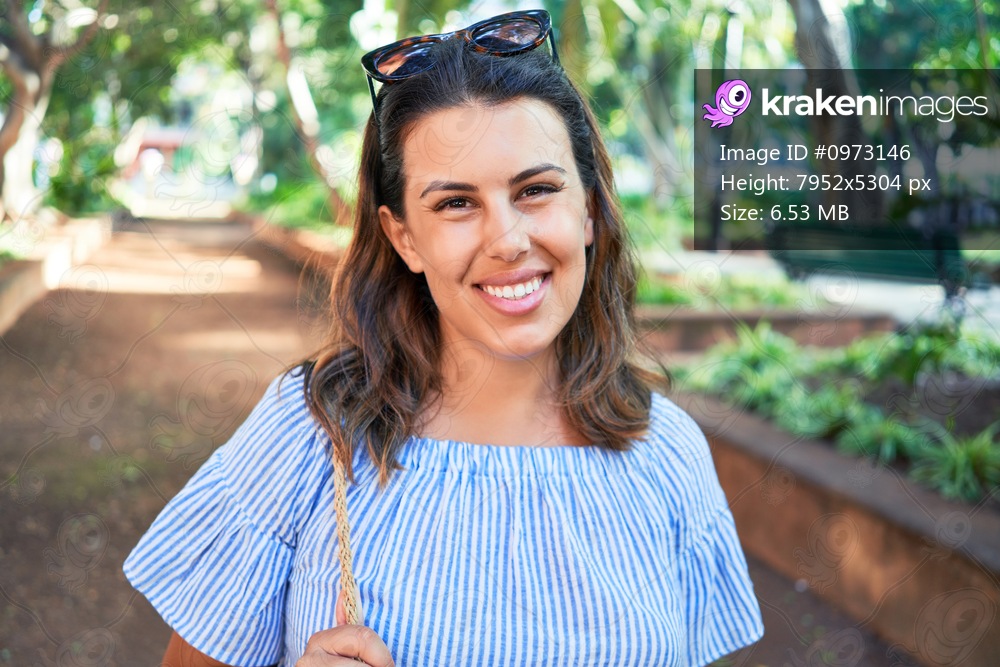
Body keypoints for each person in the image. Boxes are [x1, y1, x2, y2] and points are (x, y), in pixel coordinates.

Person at [124, 10, 764, 666]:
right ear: (404, 236)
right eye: (456, 203)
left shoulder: (667, 452)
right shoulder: (312, 428)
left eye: (537, 189)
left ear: (590, 210)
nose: (507, 241)